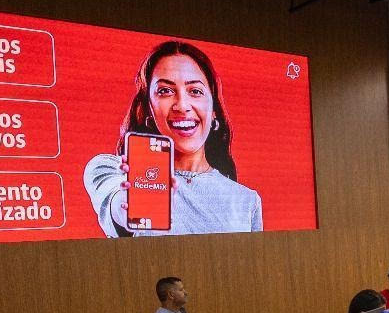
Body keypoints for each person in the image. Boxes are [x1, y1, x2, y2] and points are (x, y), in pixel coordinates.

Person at [85, 40, 262, 236]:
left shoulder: (247, 201)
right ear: (149, 108)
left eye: (195, 91)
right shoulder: (114, 169)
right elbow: (118, 205)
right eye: (165, 91)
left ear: (213, 111)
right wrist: (130, 205)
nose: (182, 105)